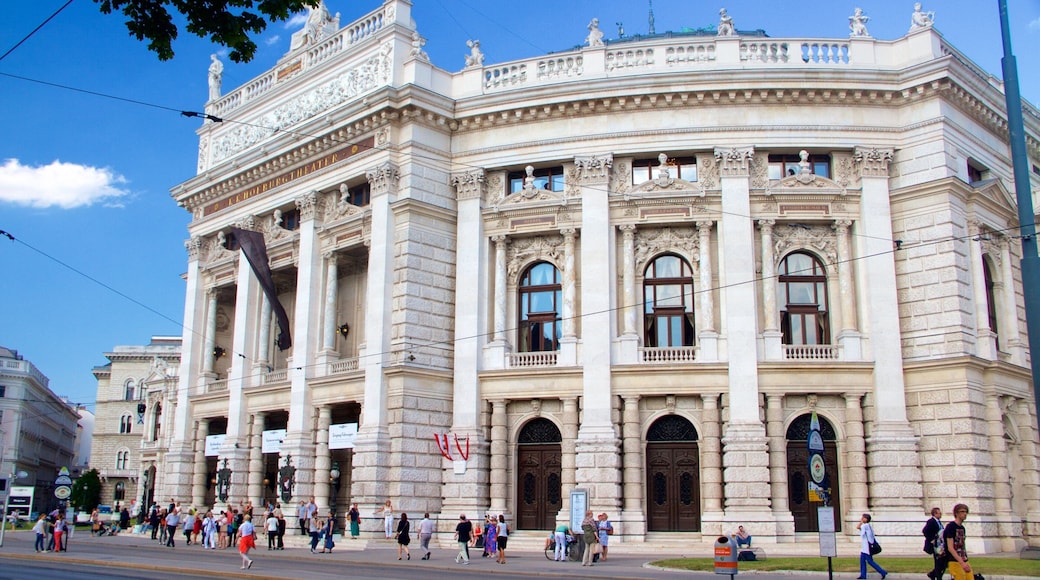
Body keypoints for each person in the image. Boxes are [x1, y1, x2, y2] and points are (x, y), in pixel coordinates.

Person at [944, 504, 972, 580]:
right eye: (962, 511)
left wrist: (965, 561)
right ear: (956, 513)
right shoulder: (951, 527)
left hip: (964, 559)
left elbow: (962, 546)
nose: (965, 514)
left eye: (966, 512)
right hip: (954, 561)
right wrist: (961, 562)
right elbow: (950, 547)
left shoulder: (962, 528)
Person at [856, 513, 887, 579]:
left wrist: (861, 523)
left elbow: (859, 529)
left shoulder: (864, 526)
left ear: (866, 519)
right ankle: (863, 575)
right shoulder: (868, 526)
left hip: (867, 548)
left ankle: (883, 572)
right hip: (864, 548)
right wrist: (861, 522)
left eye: (863, 517)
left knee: (870, 561)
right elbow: (859, 527)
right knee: (862, 561)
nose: (861, 518)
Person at [923, 507, 945, 579]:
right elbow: (925, 531)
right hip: (935, 545)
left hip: (940, 545)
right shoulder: (931, 521)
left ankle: (933, 574)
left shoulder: (938, 522)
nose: (941, 514)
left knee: (942, 562)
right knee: (938, 562)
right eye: (939, 513)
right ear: (935, 514)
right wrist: (931, 539)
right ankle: (938, 577)